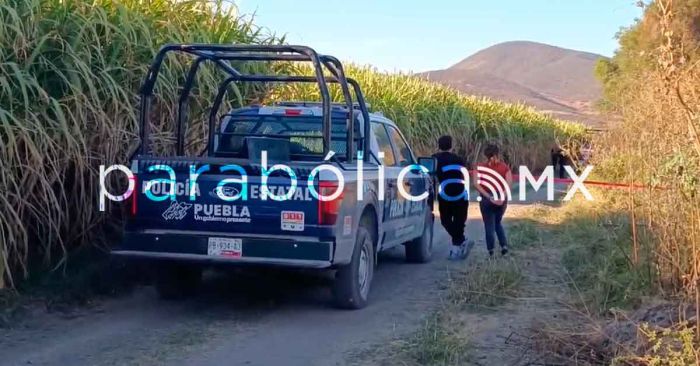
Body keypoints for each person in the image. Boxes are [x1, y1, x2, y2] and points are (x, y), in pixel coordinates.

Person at [432, 135, 472, 260]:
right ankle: (460, 243)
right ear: (451, 145)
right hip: (461, 193)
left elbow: (431, 175)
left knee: (446, 220)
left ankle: (457, 247)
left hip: (445, 193)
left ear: (439, 145)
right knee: (460, 221)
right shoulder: (460, 159)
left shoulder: (434, 159)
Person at [474, 143, 512, 257]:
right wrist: (502, 196)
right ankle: (504, 246)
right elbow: (509, 184)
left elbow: (476, 184)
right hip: (501, 197)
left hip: (486, 198)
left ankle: (491, 250)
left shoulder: (479, 167)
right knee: (497, 222)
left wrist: (488, 196)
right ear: (496, 154)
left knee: (489, 224)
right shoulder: (505, 167)